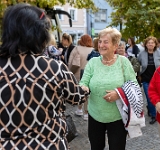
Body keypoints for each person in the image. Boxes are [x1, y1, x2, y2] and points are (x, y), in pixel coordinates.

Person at [0, 3, 87, 149]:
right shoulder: (54, 68)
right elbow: (77, 97)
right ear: (40, 34)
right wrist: (84, 89)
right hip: (49, 145)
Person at [79, 27, 138, 150]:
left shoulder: (124, 62)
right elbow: (84, 82)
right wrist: (83, 88)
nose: (101, 45)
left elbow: (134, 85)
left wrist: (119, 93)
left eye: (106, 42)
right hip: (95, 115)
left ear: (115, 45)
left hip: (117, 116)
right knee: (96, 147)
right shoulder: (93, 62)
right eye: (100, 41)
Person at [138, 36, 160, 124]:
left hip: (157, 79)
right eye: (149, 43)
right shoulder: (141, 54)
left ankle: (150, 108)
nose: (150, 44)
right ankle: (154, 116)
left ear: (155, 44)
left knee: (158, 97)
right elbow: (138, 65)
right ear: (146, 44)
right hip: (146, 79)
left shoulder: (159, 53)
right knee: (150, 98)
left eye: (152, 43)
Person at [68, 34, 93, 120]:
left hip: (78, 74)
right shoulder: (93, 50)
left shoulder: (77, 48)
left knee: (81, 92)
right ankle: (86, 113)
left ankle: (79, 109)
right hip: (90, 75)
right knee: (87, 93)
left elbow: (71, 62)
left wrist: (69, 72)